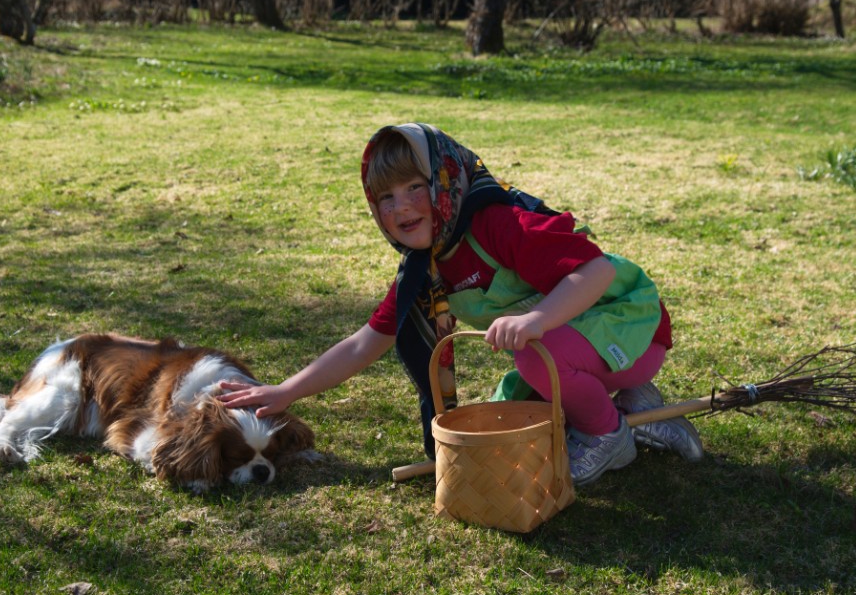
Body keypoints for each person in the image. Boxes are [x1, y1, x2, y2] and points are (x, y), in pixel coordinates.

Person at [220, 123, 702, 486]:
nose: (401, 206)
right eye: (384, 197)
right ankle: (640, 404)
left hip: (630, 326)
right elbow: (366, 343)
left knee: (533, 356)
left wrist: (535, 319)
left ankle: (606, 435)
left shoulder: (498, 223)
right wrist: (286, 392)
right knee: (502, 416)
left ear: (444, 181)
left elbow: (596, 271)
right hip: (582, 346)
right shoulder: (426, 267)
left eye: (415, 187)